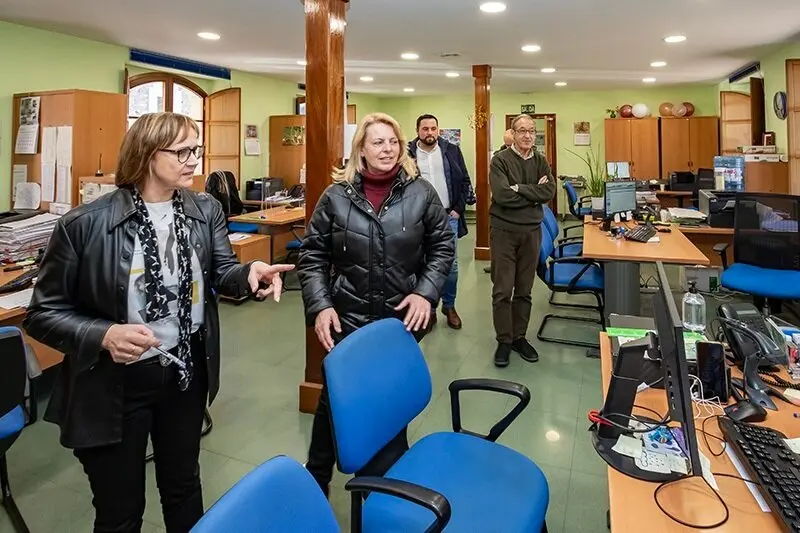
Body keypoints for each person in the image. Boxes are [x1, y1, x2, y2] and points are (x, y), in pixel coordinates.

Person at [23, 112, 294, 533]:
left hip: (184, 376)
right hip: (113, 387)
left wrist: (250, 272)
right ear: (148, 154)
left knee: (184, 488)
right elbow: (42, 314)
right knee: (120, 511)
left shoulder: (205, 210)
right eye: (183, 151)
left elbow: (222, 270)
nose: (194, 161)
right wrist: (105, 334)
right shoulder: (85, 224)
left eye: (196, 150)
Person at [297, 112, 454, 496]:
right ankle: (317, 476)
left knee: (388, 398)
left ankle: (383, 487)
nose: (387, 149)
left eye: (393, 142)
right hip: (346, 317)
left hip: (400, 320)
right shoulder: (336, 196)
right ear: (361, 151)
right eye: (377, 142)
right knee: (335, 397)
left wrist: (426, 292)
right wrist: (320, 306)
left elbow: (442, 247)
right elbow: (313, 255)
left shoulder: (421, 193)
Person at [489, 114, 556, 368]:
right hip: (504, 232)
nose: (527, 135)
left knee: (525, 290)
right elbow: (503, 196)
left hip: (531, 231)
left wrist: (520, 189)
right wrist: (532, 193)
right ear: (513, 134)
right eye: (522, 131)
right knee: (503, 290)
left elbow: (548, 191)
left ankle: (519, 338)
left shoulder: (540, 160)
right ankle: (504, 340)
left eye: (531, 131)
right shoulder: (501, 160)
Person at [407, 114, 471, 329]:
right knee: (423, 264)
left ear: (438, 130)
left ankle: (449, 305)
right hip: (418, 218)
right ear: (418, 131)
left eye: (433, 128)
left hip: (447, 217)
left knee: (450, 266)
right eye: (425, 128)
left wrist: (458, 209)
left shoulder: (450, 150)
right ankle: (430, 307)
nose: (429, 132)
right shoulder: (407, 153)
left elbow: (464, 181)